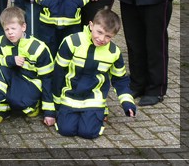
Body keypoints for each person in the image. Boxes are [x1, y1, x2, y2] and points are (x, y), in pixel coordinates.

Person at [52, 9, 136, 139]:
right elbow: (58, 73)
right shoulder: (72, 42)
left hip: (94, 99)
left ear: (114, 35)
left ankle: (100, 111)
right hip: (69, 95)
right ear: (91, 25)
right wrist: (56, 102)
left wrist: (127, 103)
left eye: (108, 36)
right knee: (66, 130)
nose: (102, 39)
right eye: (99, 32)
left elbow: (120, 80)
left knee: (88, 133)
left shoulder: (114, 52)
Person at [0, 7, 55, 125]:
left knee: (17, 101)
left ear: (23, 27)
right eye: (6, 29)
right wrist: (10, 60)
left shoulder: (38, 47)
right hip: (14, 77)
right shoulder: (1, 41)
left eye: (13, 28)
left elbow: (47, 79)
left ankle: (33, 105)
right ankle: (2, 109)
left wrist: (49, 112)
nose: (10, 32)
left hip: (31, 82)